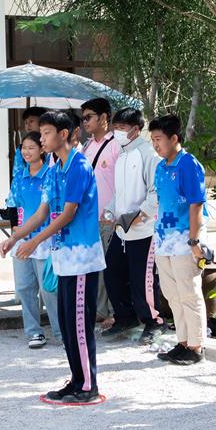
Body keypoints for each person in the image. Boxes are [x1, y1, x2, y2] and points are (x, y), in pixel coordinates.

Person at [1, 110, 106, 403]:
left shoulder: (78, 166)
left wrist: (34, 241)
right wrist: (16, 238)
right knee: (68, 323)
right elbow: (41, 213)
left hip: (82, 258)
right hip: (63, 258)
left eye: (46, 133)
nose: (42, 138)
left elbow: (68, 213)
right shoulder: (55, 168)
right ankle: (76, 380)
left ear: (64, 134)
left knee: (80, 324)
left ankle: (88, 386)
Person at [149, 114, 208, 366]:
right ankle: (182, 342)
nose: (155, 144)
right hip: (164, 240)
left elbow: (196, 204)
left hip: (185, 239)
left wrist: (194, 242)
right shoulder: (161, 167)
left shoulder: (189, 164)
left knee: (189, 293)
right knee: (172, 295)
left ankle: (196, 345)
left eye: (159, 139)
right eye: (152, 140)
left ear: (174, 138)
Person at [101, 107, 164, 345]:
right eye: (115, 127)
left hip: (144, 230)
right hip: (122, 230)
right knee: (112, 271)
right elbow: (119, 193)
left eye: (122, 128)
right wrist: (110, 209)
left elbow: (155, 193)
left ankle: (153, 321)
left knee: (143, 279)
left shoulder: (149, 154)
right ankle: (125, 316)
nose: (117, 132)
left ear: (136, 129)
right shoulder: (122, 155)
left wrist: (139, 215)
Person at [5, 132, 60, 348]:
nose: (26, 152)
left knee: (48, 289)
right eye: (23, 148)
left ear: (42, 149)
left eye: (31, 147)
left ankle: (61, 332)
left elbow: (51, 210)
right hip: (22, 239)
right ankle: (34, 332)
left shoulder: (51, 175)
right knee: (24, 287)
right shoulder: (19, 176)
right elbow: (13, 204)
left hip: (45, 239)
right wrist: (15, 231)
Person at [81, 98, 119, 323]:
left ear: (104, 117)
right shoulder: (87, 146)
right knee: (95, 266)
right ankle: (100, 310)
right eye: (83, 118)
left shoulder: (115, 145)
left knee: (110, 267)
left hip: (109, 217)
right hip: (89, 218)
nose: (85, 122)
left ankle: (113, 313)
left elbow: (123, 184)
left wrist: (112, 212)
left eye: (89, 117)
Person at [12, 106, 48, 182]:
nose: (28, 125)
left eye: (31, 121)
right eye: (25, 122)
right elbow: (17, 175)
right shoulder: (20, 150)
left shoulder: (51, 147)